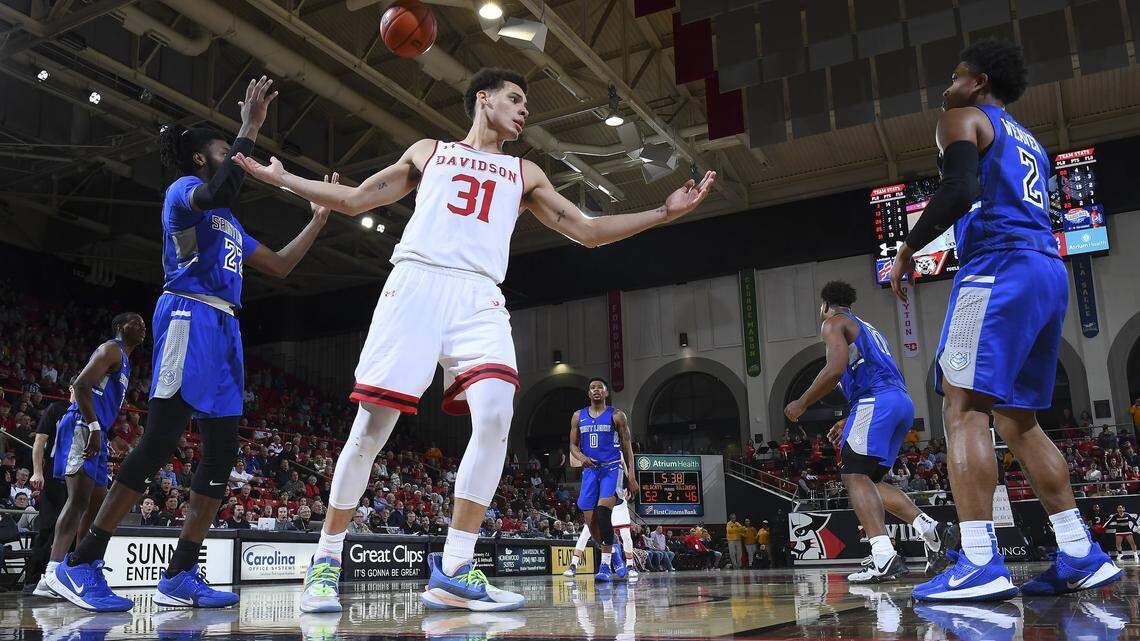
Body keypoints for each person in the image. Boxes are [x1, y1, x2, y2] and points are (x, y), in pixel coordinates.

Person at [236, 67, 714, 613]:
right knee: (371, 429)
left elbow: (586, 229)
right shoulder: (429, 151)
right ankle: (324, 559)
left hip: (478, 297)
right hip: (416, 282)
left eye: (526, 103)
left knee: (495, 416)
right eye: (515, 99)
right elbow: (355, 199)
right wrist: (282, 180)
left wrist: (662, 213)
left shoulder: (524, 172)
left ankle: (455, 568)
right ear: (483, 100)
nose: (524, 110)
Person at [52, 76, 333, 613]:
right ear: (202, 160)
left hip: (226, 328)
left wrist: (318, 217)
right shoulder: (184, 192)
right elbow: (222, 188)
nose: (233, 157)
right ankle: (81, 562)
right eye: (224, 151)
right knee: (159, 442)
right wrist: (248, 128)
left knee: (223, 452)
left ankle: (181, 573)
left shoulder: (227, 220)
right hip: (187, 315)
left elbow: (280, 264)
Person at [889, 40, 1120, 600]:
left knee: (962, 405)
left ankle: (978, 560)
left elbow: (960, 189)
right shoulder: (1031, 141)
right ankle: (1079, 551)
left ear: (977, 82)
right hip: (1047, 270)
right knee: (1019, 420)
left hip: (997, 268)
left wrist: (908, 248)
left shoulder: (958, 118)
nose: (947, 85)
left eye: (954, 75)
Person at [785, 281, 955, 585]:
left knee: (853, 476)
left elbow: (835, 369)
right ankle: (930, 527)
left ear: (825, 305)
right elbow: (874, 374)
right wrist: (851, 417)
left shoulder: (832, 323)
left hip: (876, 401)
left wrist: (802, 402)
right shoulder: (867, 327)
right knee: (871, 480)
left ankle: (883, 556)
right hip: (898, 402)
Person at [40, 314, 145, 601]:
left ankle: (78, 565)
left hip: (96, 430)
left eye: (143, 323)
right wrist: (96, 427)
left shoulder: (125, 361)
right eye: (134, 322)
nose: (141, 325)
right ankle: (52, 573)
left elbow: (99, 397)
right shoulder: (111, 349)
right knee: (79, 500)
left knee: (96, 504)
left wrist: (110, 436)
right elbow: (80, 384)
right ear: (119, 327)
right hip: (82, 425)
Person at [570, 378, 638, 583]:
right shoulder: (577, 416)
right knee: (592, 525)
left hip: (611, 469)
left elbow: (627, 448)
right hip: (590, 472)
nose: (596, 390)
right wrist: (582, 458)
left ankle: (605, 566)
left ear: (606, 392)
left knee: (602, 514)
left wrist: (631, 477)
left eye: (600, 387)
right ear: (588, 393)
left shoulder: (617, 416)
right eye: (592, 387)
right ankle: (615, 552)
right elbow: (572, 446)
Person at [25, 388, 71, 595]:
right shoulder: (56, 409)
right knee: (47, 528)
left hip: (76, 476)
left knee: (72, 530)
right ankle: (33, 581)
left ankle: (62, 580)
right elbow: (40, 441)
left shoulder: (91, 413)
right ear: (72, 388)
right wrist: (37, 472)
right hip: (53, 474)